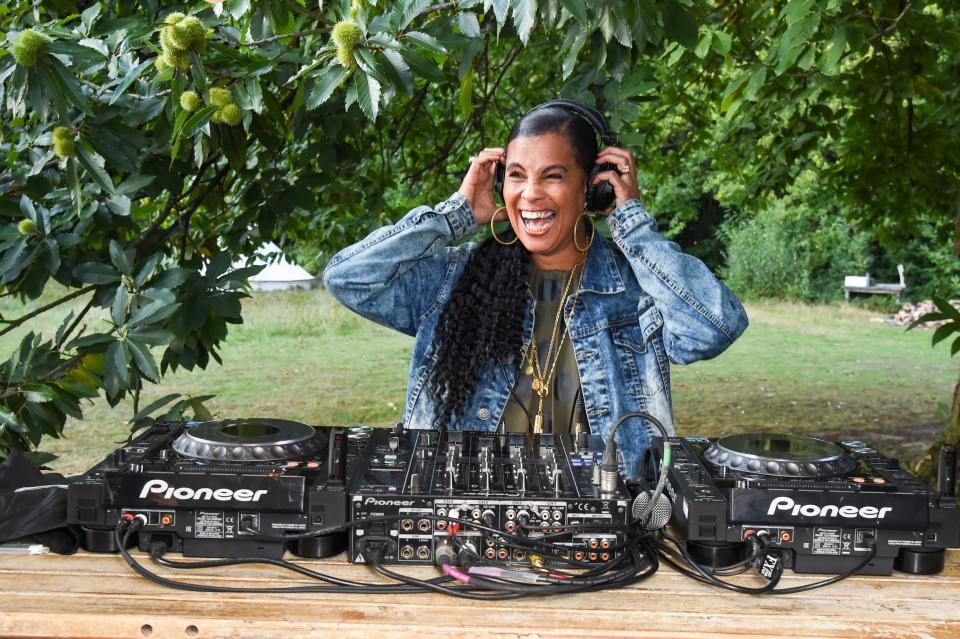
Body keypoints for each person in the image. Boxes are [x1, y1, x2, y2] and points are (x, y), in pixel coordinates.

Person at [323, 99, 748, 478]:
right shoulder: (454, 278)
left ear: (591, 187)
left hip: (608, 528)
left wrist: (631, 222)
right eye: (517, 175)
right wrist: (456, 215)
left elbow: (714, 325)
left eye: (553, 176)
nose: (530, 194)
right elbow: (348, 278)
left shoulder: (635, 292)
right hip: (471, 523)